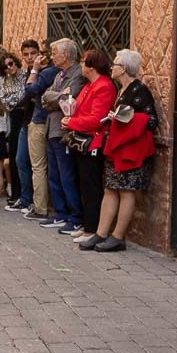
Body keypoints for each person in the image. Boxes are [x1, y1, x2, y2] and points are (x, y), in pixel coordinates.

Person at [89, 50, 159, 252]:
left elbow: (151, 120)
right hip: (117, 148)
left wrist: (125, 118)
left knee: (127, 191)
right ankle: (101, 233)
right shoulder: (121, 90)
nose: (112, 67)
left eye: (116, 64)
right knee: (110, 189)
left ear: (124, 69)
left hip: (131, 151)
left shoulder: (139, 91)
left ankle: (118, 236)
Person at [60, 49, 116, 246]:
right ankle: (87, 225)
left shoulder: (103, 87)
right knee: (84, 185)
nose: (81, 66)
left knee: (91, 188)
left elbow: (96, 120)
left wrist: (71, 122)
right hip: (82, 141)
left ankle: (92, 228)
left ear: (91, 67)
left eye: (84, 62)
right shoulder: (89, 86)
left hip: (93, 142)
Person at [41, 38, 87, 235]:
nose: (51, 57)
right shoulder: (60, 75)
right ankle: (60, 213)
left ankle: (75, 217)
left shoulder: (77, 74)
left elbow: (70, 99)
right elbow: (45, 97)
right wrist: (57, 96)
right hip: (52, 128)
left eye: (54, 53)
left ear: (65, 54)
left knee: (66, 175)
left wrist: (57, 96)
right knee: (54, 175)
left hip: (64, 131)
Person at [22, 41, 59, 221]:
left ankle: (40, 207)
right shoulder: (62, 72)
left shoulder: (47, 72)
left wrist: (35, 70)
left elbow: (29, 90)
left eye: (40, 53)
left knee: (38, 167)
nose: (35, 57)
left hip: (40, 122)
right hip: (51, 123)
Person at [0, 53, 27, 207]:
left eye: (10, 64)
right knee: (12, 156)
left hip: (21, 116)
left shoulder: (25, 75)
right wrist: (9, 100)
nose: (9, 68)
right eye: (5, 67)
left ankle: (21, 195)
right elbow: (3, 100)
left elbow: (20, 97)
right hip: (10, 119)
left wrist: (9, 100)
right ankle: (15, 194)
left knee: (20, 158)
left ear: (16, 62)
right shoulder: (5, 80)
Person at [12, 40, 41, 213]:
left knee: (35, 165)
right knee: (20, 160)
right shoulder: (26, 73)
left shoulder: (41, 71)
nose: (30, 57)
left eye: (33, 53)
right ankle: (25, 198)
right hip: (26, 121)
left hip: (37, 121)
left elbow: (32, 93)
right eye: (26, 54)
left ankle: (32, 201)